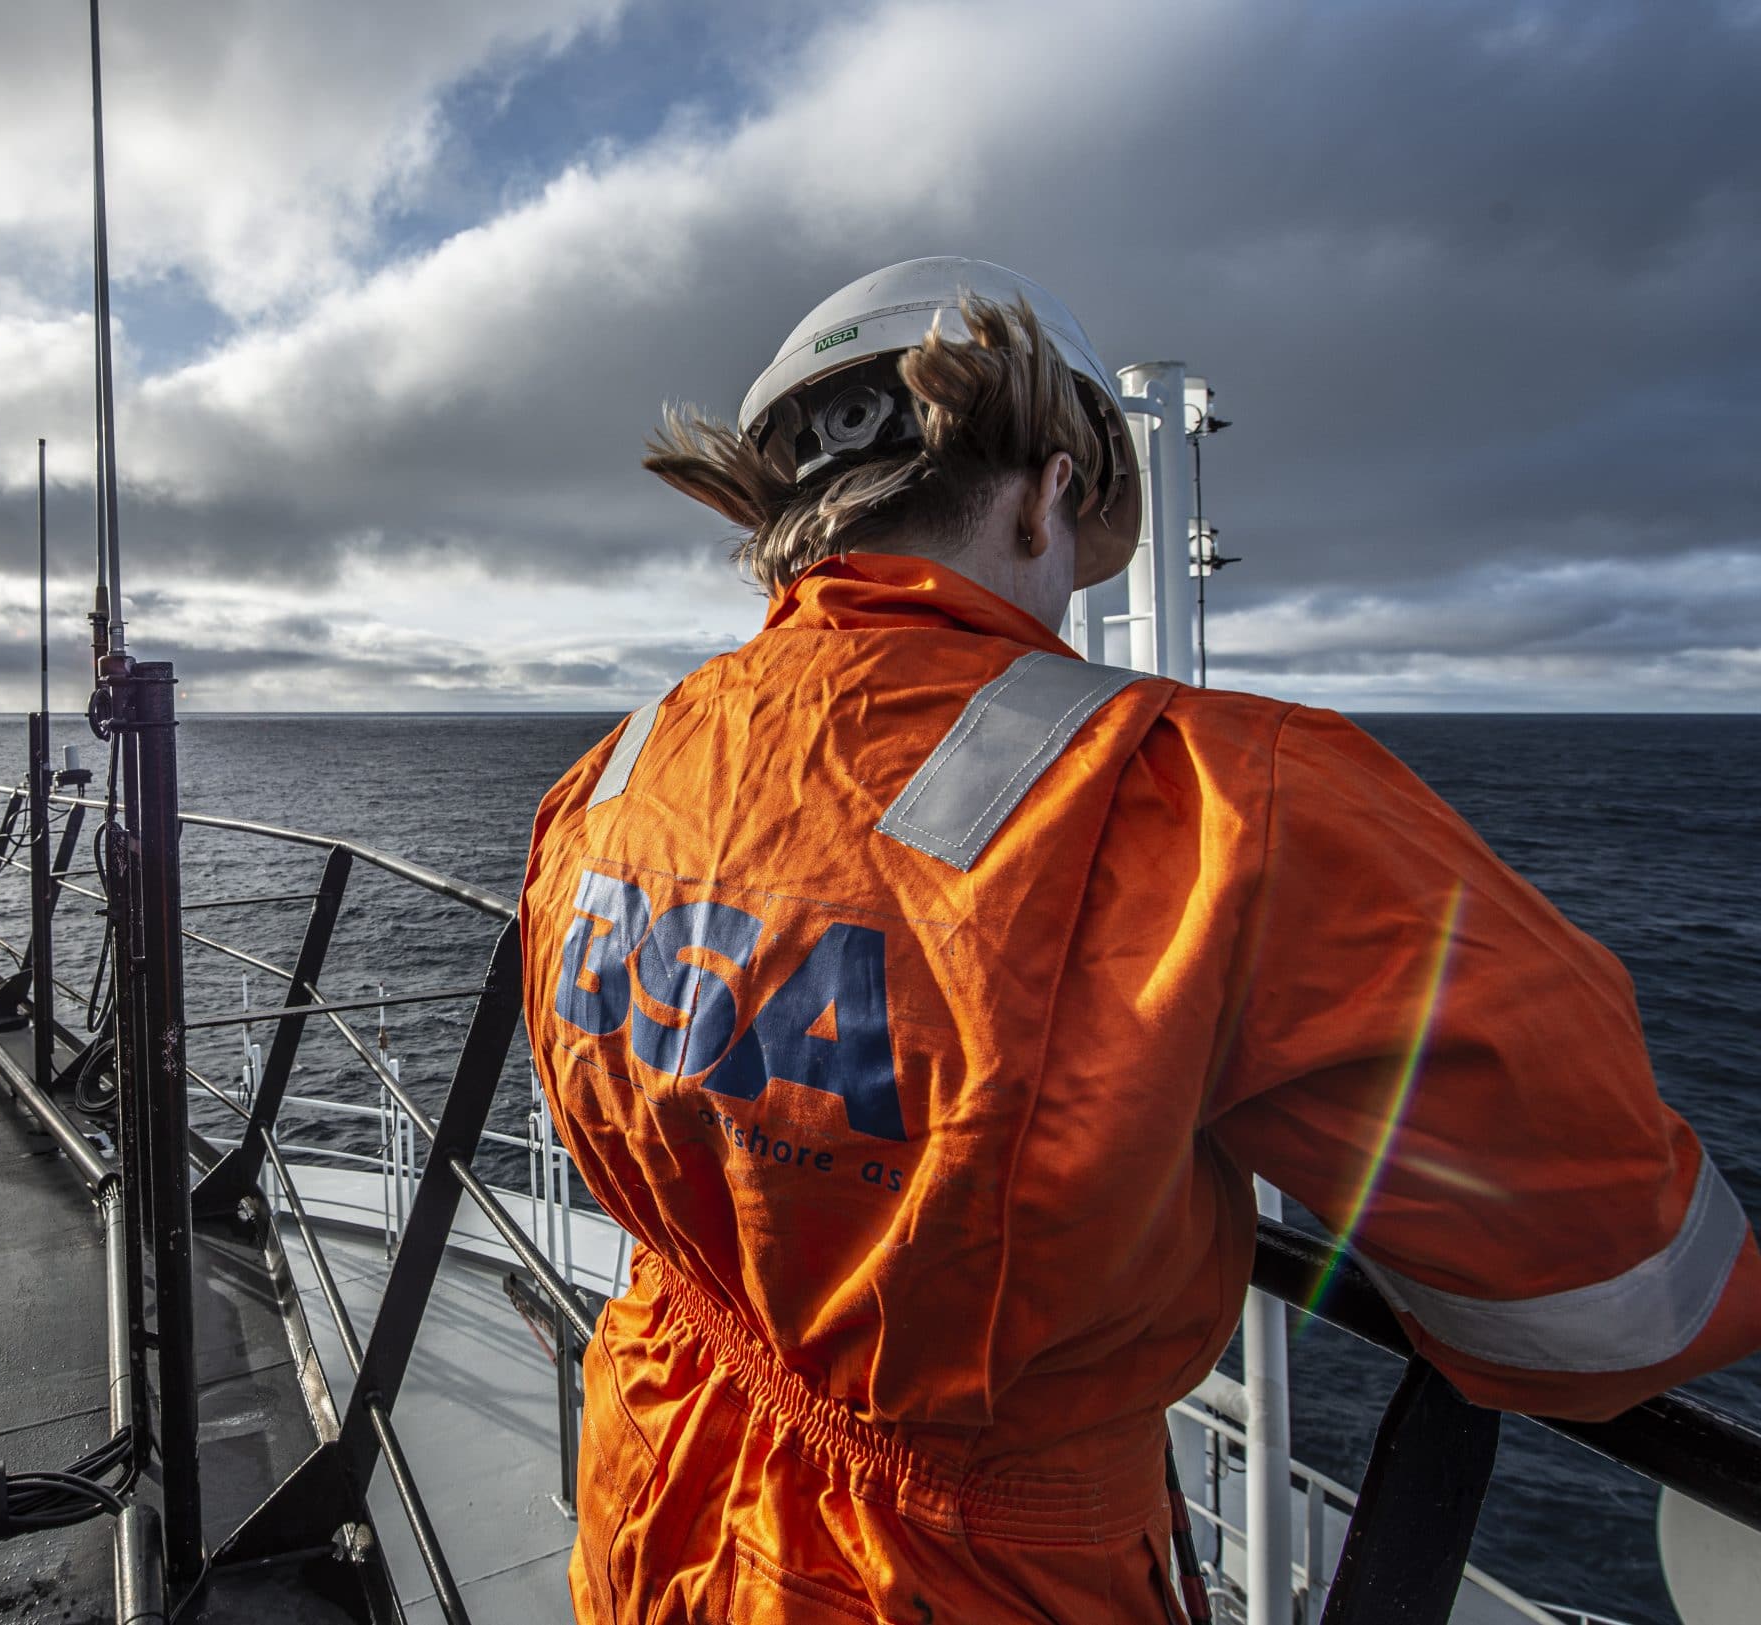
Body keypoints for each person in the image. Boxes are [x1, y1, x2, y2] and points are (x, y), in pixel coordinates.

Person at [518, 257, 1761, 1624]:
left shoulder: (613, 776)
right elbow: (1616, 1291)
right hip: (961, 1580)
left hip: (652, 1478)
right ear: (1054, 495)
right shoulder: (1212, 800)